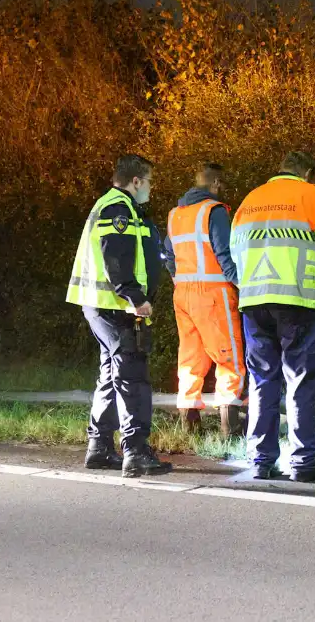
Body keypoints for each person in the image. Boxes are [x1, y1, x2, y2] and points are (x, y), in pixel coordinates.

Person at [231, 151, 315, 481]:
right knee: (302, 381)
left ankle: (260, 460)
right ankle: (304, 461)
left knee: (262, 380)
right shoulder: (310, 196)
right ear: (308, 172)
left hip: (254, 303)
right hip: (300, 302)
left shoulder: (250, 200)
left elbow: (233, 250)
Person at [66, 153, 172, 478]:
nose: (151, 188)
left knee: (111, 375)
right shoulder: (118, 207)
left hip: (103, 305)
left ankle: (99, 448)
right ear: (136, 180)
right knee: (133, 377)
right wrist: (134, 296)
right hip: (115, 306)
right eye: (149, 181)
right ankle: (136, 453)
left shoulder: (119, 207)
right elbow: (117, 254)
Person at [163, 163, 245, 437]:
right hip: (213, 293)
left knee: (190, 359)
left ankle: (190, 429)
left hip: (183, 295)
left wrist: (179, 279)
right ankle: (230, 429)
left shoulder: (175, 214)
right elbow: (224, 254)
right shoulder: (214, 211)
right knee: (229, 357)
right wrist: (243, 285)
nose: (225, 191)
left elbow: (168, 254)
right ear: (216, 183)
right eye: (224, 185)